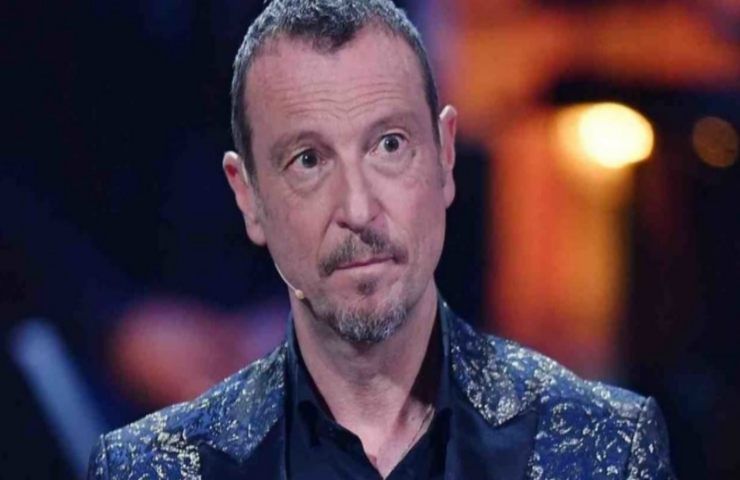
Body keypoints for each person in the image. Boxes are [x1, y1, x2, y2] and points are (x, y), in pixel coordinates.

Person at [88, 0, 674, 478]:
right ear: (249, 197)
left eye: (390, 145)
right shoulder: (147, 469)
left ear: (445, 156)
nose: (359, 209)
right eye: (309, 159)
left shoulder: (605, 450)